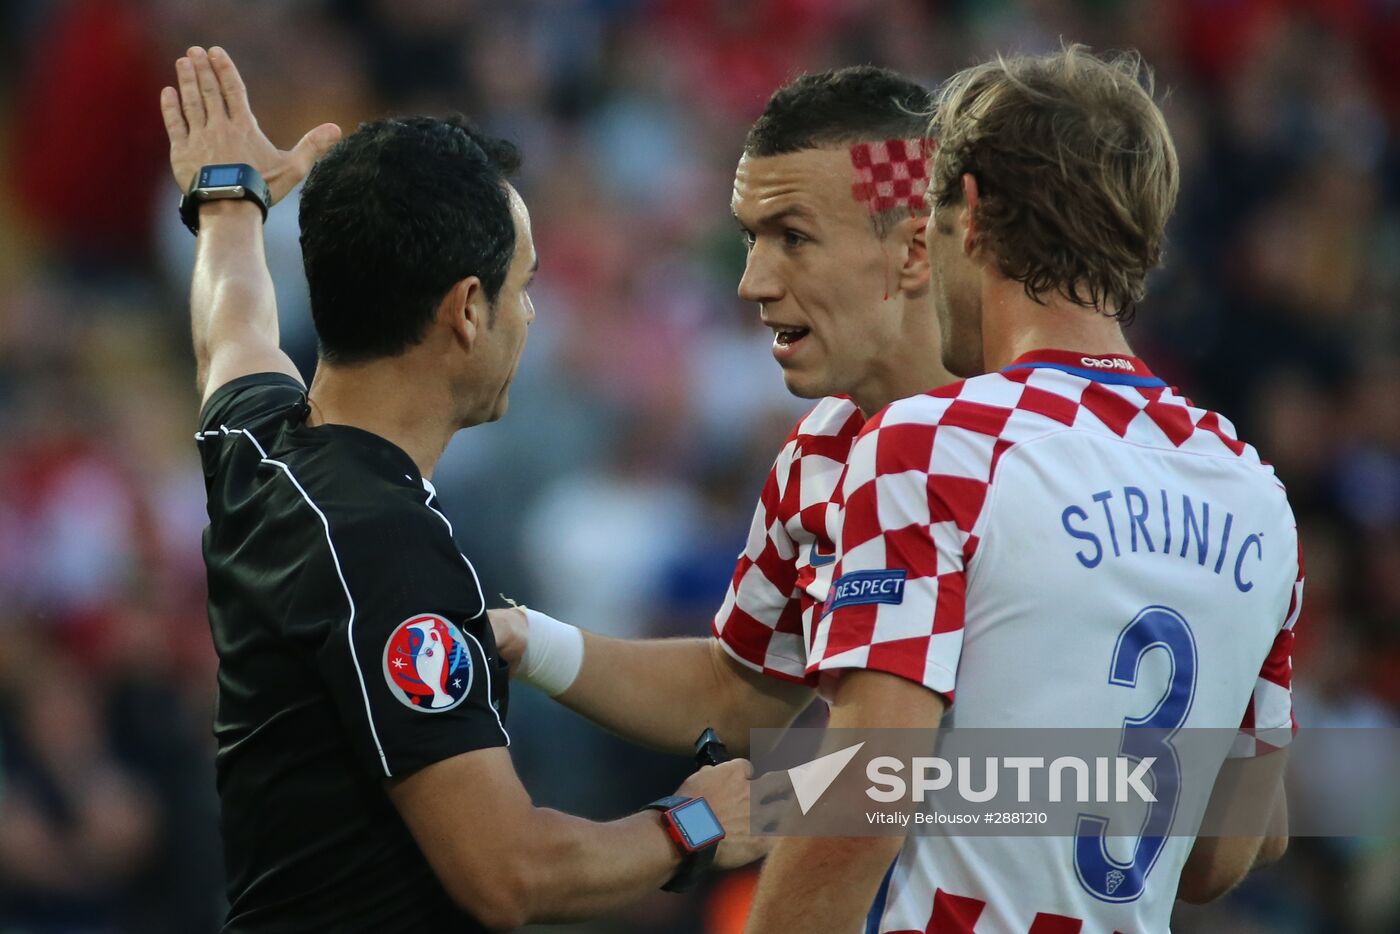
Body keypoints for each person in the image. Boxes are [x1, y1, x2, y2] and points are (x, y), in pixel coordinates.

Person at [161, 45, 766, 932]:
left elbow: (232, 324)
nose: (531, 314)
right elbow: (510, 873)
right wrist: (697, 821)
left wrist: (227, 198)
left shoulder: (260, 441)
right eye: (523, 287)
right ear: (467, 308)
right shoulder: (387, 549)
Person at [740, 47, 1302, 932]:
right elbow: (1232, 851)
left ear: (970, 211)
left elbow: (864, 800)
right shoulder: (1253, 487)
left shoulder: (938, 443)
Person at [491, 65, 954, 753]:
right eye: (750, 238)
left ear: (912, 247)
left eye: (793, 237)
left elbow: (1141, 779)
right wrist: (525, 639)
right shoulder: (821, 452)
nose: (752, 283)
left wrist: (743, 815)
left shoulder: (1047, 442)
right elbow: (736, 696)